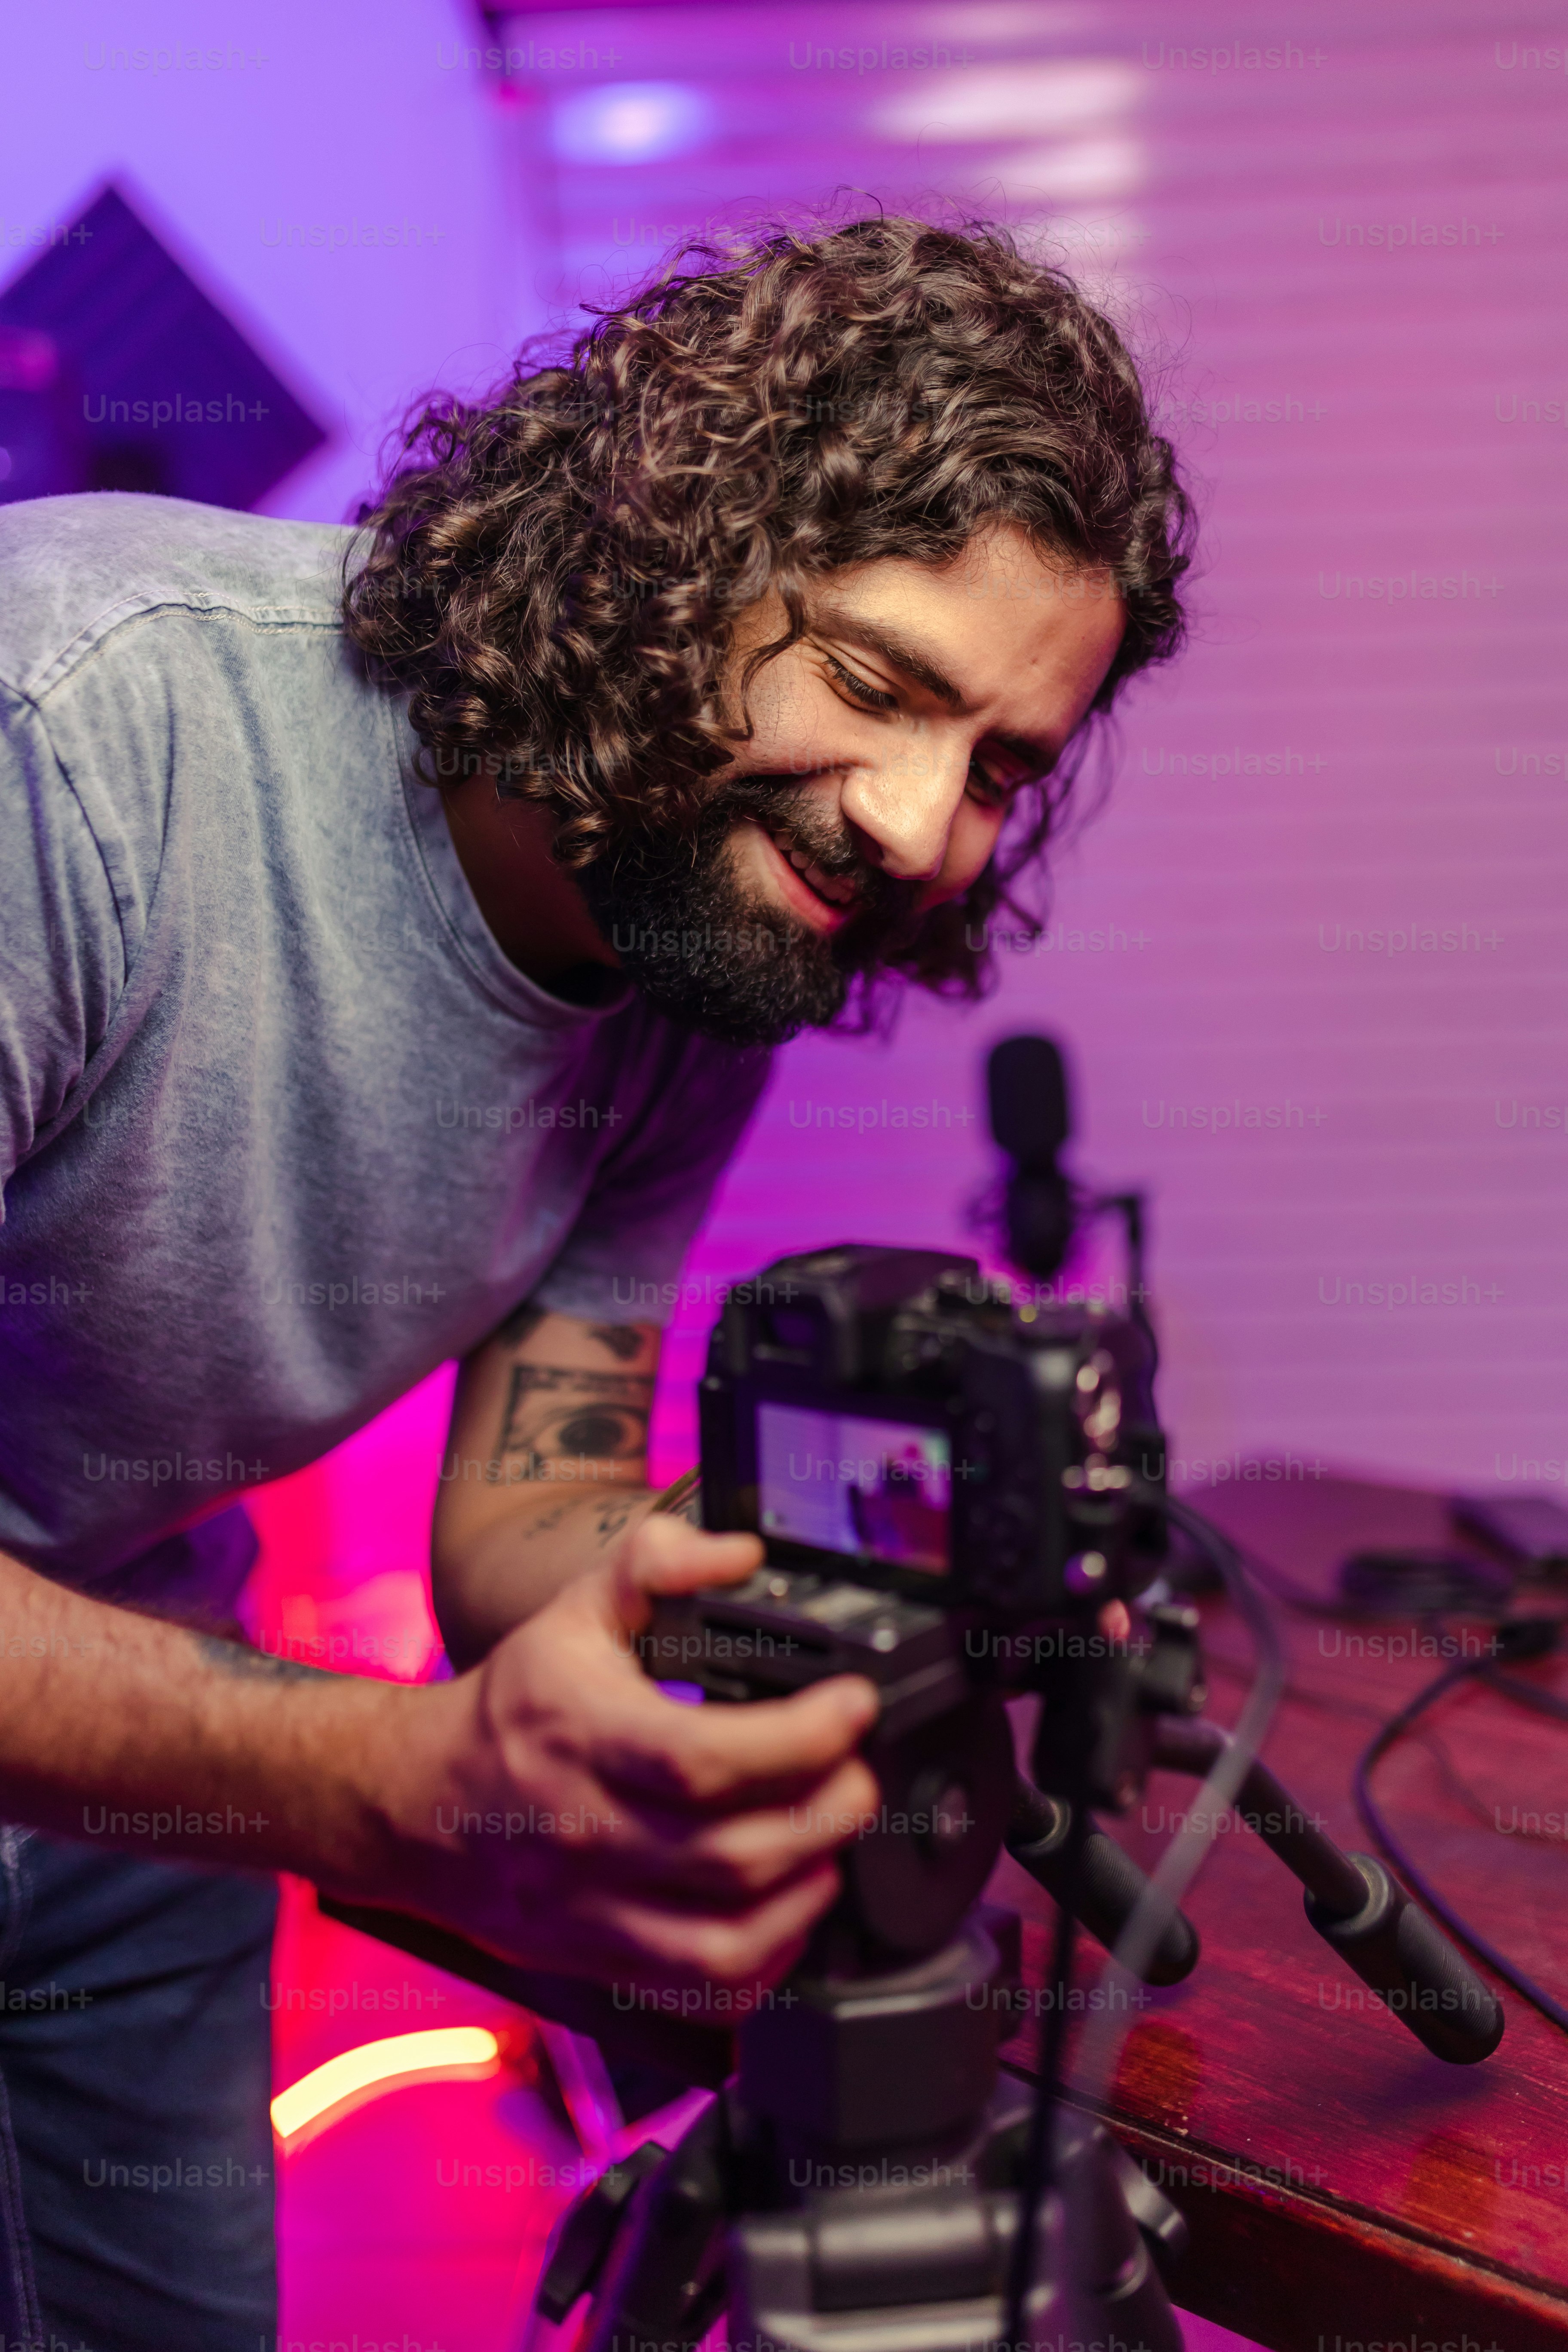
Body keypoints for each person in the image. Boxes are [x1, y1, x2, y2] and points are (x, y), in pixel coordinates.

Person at [0, 217, 1190, 2348]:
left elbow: (524, 1523)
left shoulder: (700, 946)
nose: (927, 827)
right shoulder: (72, 734)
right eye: (880, 680)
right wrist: (398, 1783)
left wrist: (834, 1593)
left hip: (125, 1774)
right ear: (656, 560)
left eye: (1002, 764)